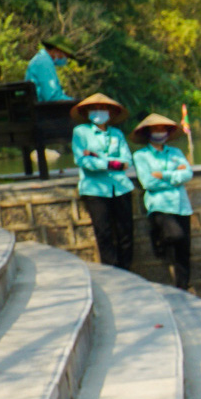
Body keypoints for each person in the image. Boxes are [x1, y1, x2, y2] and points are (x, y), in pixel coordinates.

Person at [70, 92, 134, 270]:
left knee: (125, 231)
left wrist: (98, 157)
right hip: (95, 189)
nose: (99, 112)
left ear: (111, 113)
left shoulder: (117, 134)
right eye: (95, 109)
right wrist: (110, 162)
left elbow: (126, 161)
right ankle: (111, 268)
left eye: (103, 109)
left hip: (120, 187)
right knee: (103, 231)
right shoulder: (81, 133)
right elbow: (83, 161)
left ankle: (126, 268)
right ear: (88, 112)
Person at [132, 113, 195, 289]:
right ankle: (158, 239)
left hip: (181, 205)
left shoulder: (175, 152)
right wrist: (176, 175)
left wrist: (164, 175)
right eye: (156, 129)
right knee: (175, 235)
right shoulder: (141, 156)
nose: (160, 132)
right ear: (148, 132)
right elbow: (148, 182)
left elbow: (187, 174)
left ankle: (183, 285)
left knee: (184, 248)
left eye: (163, 129)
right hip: (159, 205)